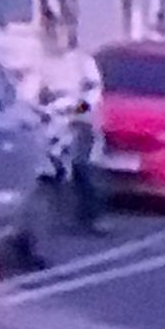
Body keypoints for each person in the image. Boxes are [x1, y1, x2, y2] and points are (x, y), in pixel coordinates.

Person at [51, 28, 106, 236]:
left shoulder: (83, 62)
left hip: (82, 124)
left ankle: (92, 219)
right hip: (55, 122)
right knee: (55, 170)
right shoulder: (47, 61)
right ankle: (61, 219)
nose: (56, 37)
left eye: (59, 33)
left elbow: (93, 93)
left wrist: (76, 110)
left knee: (85, 170)